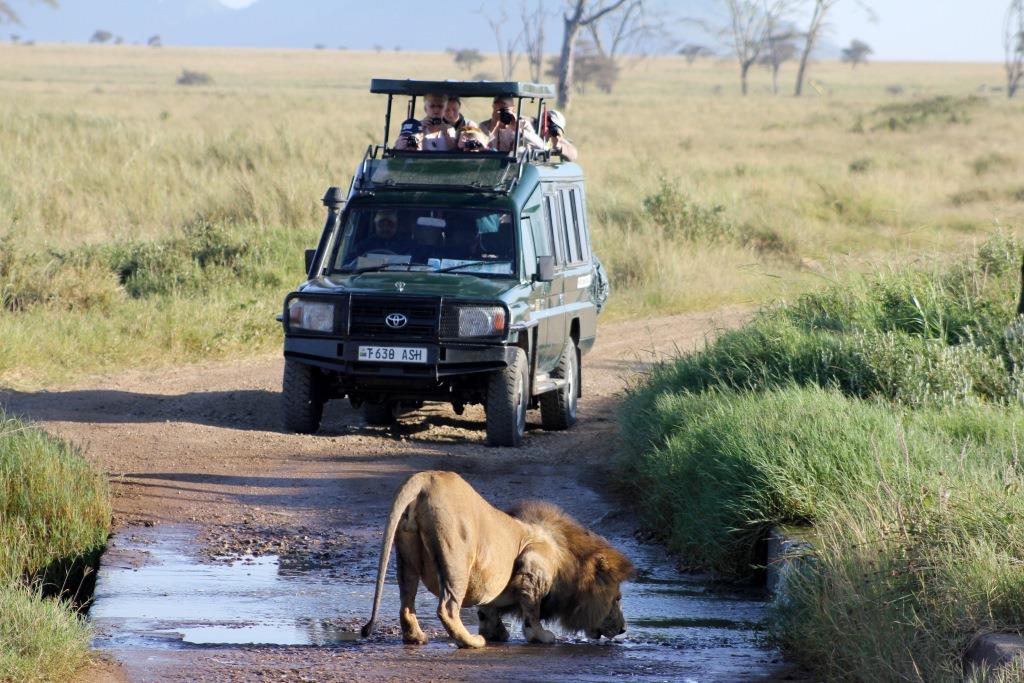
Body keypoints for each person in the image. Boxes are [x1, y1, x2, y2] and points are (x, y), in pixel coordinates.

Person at [480, 96, 544, 153]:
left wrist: (518, 130)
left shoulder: (523, 124)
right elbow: (480, 146)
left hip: (516, 164)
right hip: (493, 164)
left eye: (504, 108)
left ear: (513, 108)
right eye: (497, 107)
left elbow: (541, 146)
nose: (501, 112)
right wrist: (493, 127)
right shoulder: (485, 125)